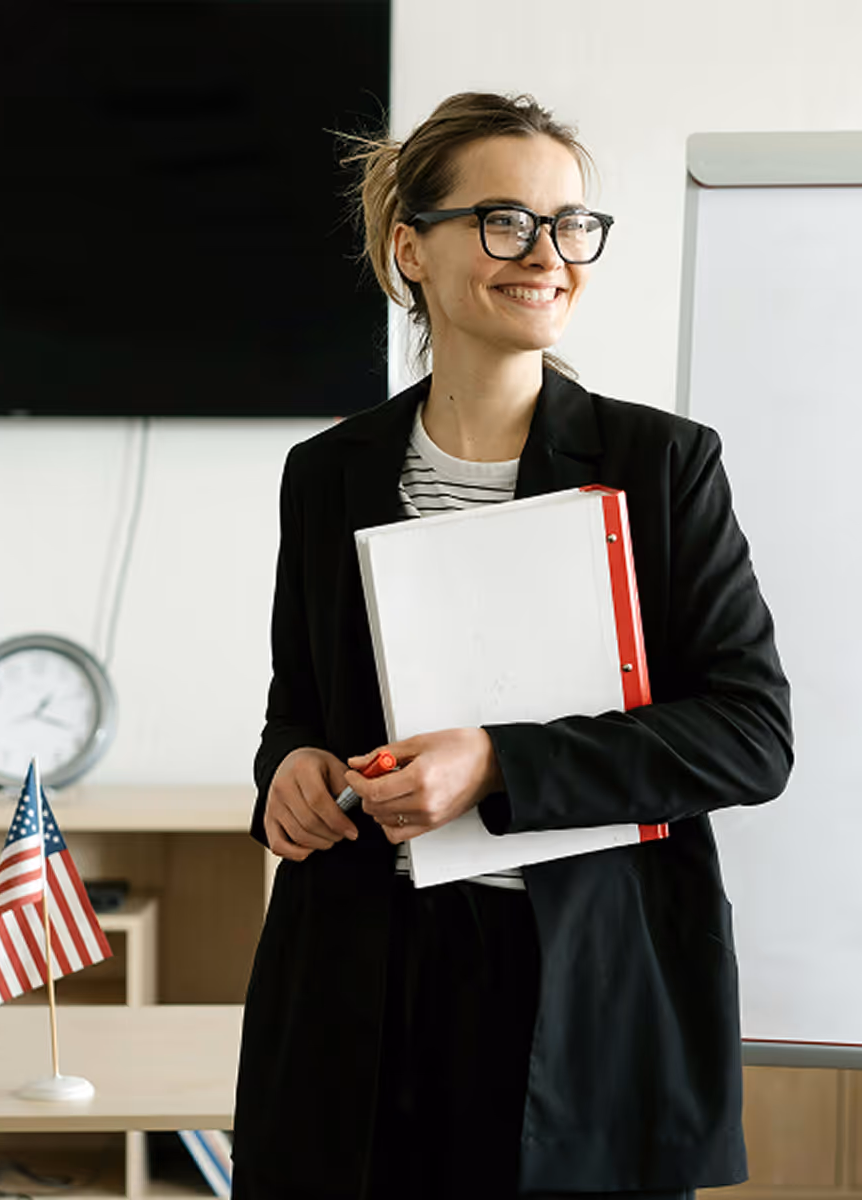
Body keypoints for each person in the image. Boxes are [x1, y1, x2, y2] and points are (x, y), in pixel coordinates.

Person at [232, 92, 792, 1200]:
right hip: (360, 987)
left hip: (574, 991)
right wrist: (287, 771)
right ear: (411, 249)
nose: (547, 254)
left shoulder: (662, 466)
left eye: (570, 224)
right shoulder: (328, 472)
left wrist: (495, 763)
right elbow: (299, 704)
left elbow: (750, 737)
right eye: (504, 221)